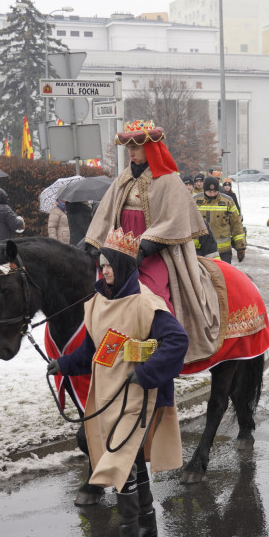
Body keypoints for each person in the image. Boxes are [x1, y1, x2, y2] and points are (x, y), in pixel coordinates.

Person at [47, 228, 188, 537]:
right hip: (108, 397)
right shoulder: (98, 304)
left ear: (124, 266)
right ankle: (147, 520)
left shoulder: (146, 304)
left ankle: (129, 534)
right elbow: (95, 352)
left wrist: (147, 372)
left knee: (118, 458)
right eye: (101, 266)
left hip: (138, 397)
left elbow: (176, 342)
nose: (104, 271)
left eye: (109, 266)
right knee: (130, 458)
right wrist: (63, 364)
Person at [85, 119, 223, 364]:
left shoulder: (169, 180)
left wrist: (146, 246)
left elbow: (174, 220)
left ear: (150, 148)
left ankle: (159, 355)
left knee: (154, 296)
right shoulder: (123, 179)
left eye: (135, 147)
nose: (131, 153)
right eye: (128, 148)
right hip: (120, 256)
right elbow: (105, 214)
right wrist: (92, 244)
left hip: (158, 255)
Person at [194, 176, 246, 264]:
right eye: (209, 191)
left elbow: (236, 224)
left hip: (223, 251)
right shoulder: (195, 201)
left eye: (215, 191)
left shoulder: (228, 201)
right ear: (204, 190)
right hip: (201, 251)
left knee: (223, 276)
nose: (212, 194)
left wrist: (240, 247)